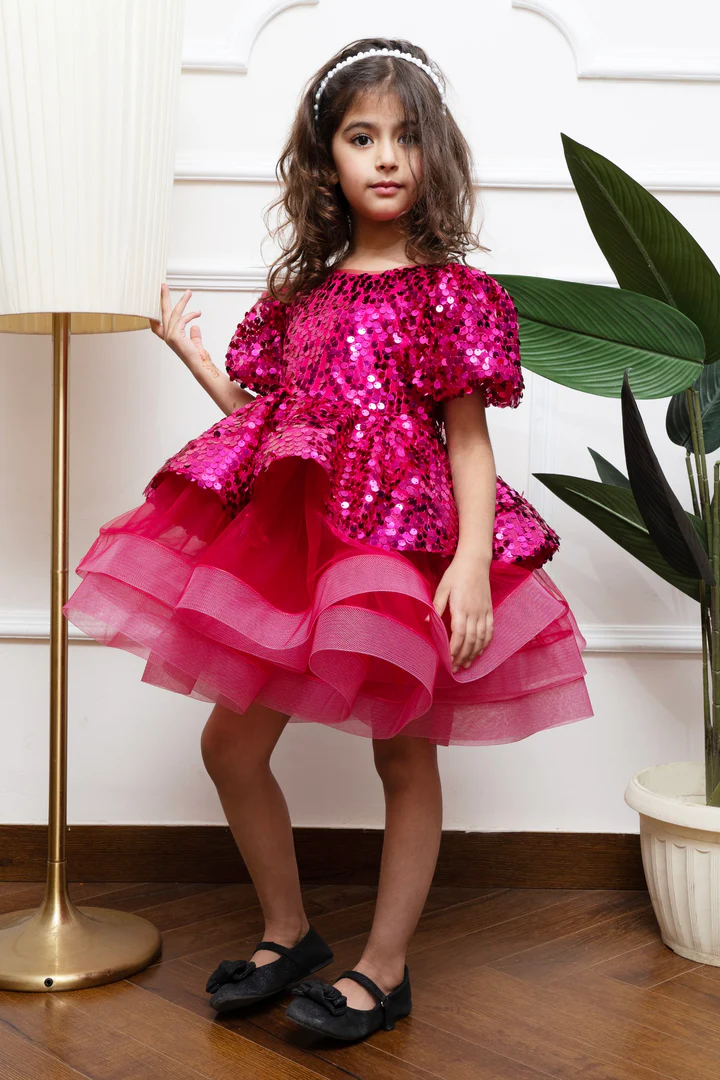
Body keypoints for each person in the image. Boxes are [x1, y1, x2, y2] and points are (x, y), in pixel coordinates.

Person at [62, 38, 594, 1042]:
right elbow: (273, 427)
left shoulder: (451, 293)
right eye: (361, 137)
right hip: (302, 541)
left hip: (402, 545)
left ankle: (384, 968)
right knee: (230, 743)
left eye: (406, 137)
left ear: (435, 152)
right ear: (327, 160)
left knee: (404, 753)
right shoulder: (301, 300)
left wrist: (471, 564)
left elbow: (468, 441)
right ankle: (289, 931)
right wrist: (196, 361)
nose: (386, 157)